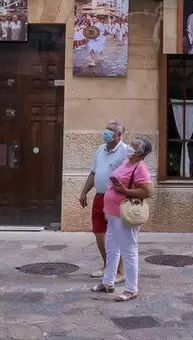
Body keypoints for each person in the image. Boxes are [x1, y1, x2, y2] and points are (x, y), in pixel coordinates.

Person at [91, 135, 153, 302]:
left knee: (129, 250)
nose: (128, 148)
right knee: (112, 248)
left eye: (132, 146)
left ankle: (131, 289)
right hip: (113, 214)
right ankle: (108, 282)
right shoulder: (127, 163)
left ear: (139, 152)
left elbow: (148, 192)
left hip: (125, 215)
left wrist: (125, 191)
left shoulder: (140, 168)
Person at [79, 121, 130, 282]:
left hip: (116, 198)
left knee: (116, 235)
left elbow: (134, 174)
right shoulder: (100, 150)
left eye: (111, 130)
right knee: (99, 232)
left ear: (119, 135)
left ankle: (120, 272)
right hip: (99, 197)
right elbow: (94, 173)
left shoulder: (126, 151)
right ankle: (108, 266)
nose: (107, 132)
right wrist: (84, 192)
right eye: (107, 129)